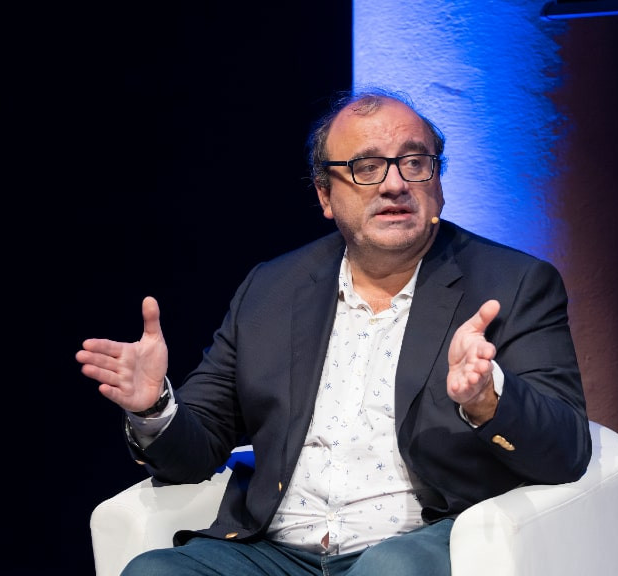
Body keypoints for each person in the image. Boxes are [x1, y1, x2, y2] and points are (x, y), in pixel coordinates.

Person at [76, 86, 591, 576]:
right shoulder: (272, 289)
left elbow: (568, 450)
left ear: (437, 183)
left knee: (389, 569)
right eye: (367, 167)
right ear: (325, 194)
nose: (395, 184)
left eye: (415, 162)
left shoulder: (513, 283)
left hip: (416, 542)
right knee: (152, 570)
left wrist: (486, 399)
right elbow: (197, 451)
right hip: (277, 551)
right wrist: (154, 408)